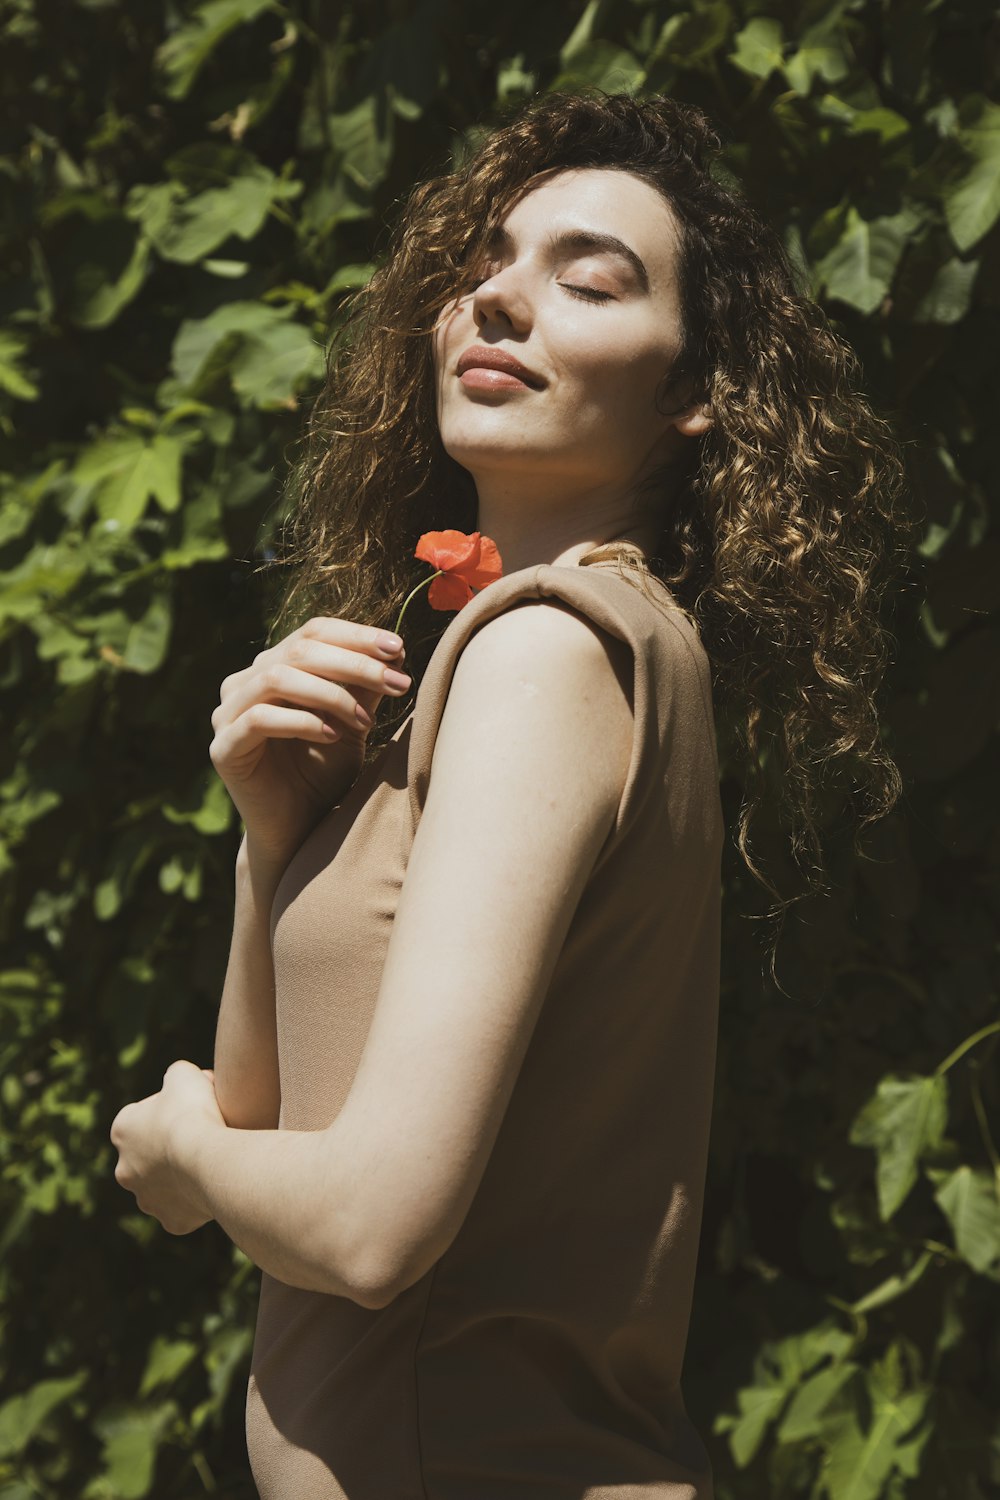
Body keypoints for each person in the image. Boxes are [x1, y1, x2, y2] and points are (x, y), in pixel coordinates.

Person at [109, 90, 907, 1497]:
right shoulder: (518, 656)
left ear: (695, 393)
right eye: (482, 268)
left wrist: (175, 1152)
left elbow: (364, 1227)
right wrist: (272, 841)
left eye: (586, 278)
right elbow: (282, 1128)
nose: (500, 301)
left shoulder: (548, 648)